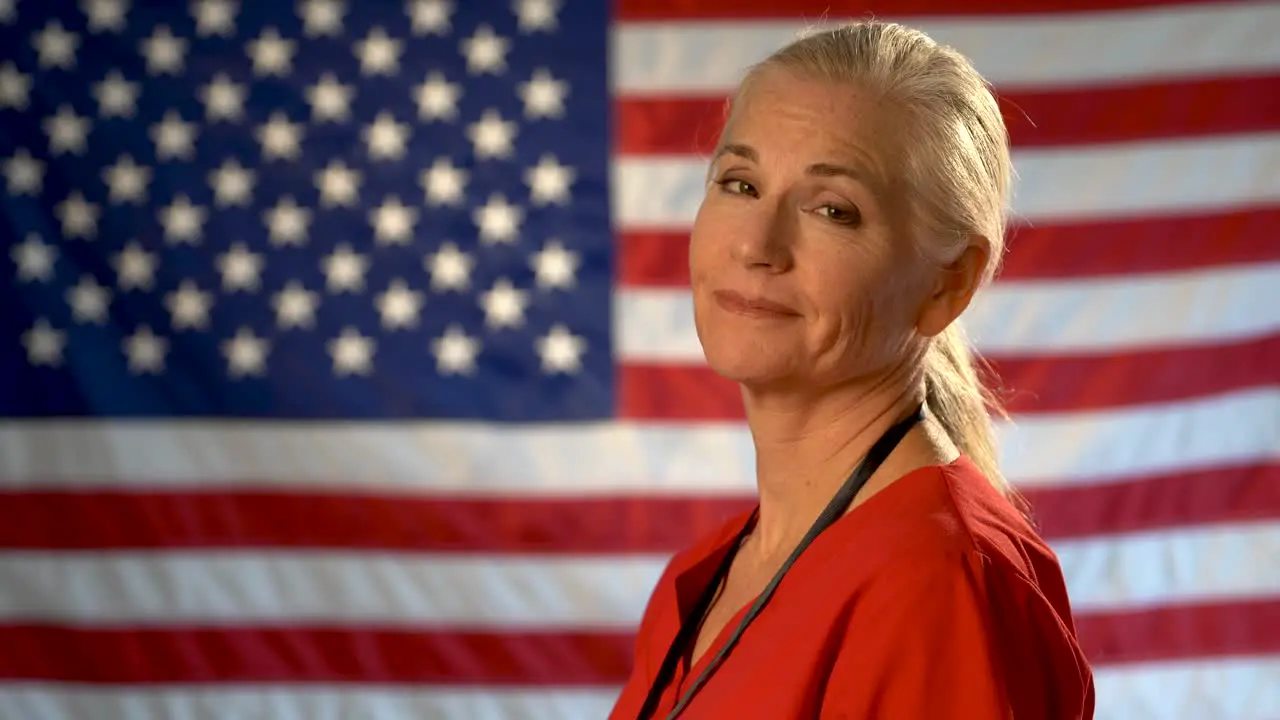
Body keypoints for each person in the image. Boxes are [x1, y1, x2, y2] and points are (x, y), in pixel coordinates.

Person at [607, 20, 1096, 720]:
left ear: (947, 285)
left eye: (833, 209)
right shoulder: (705, 576)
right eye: (740, 184)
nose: (757, 244)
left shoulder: (937, 585)